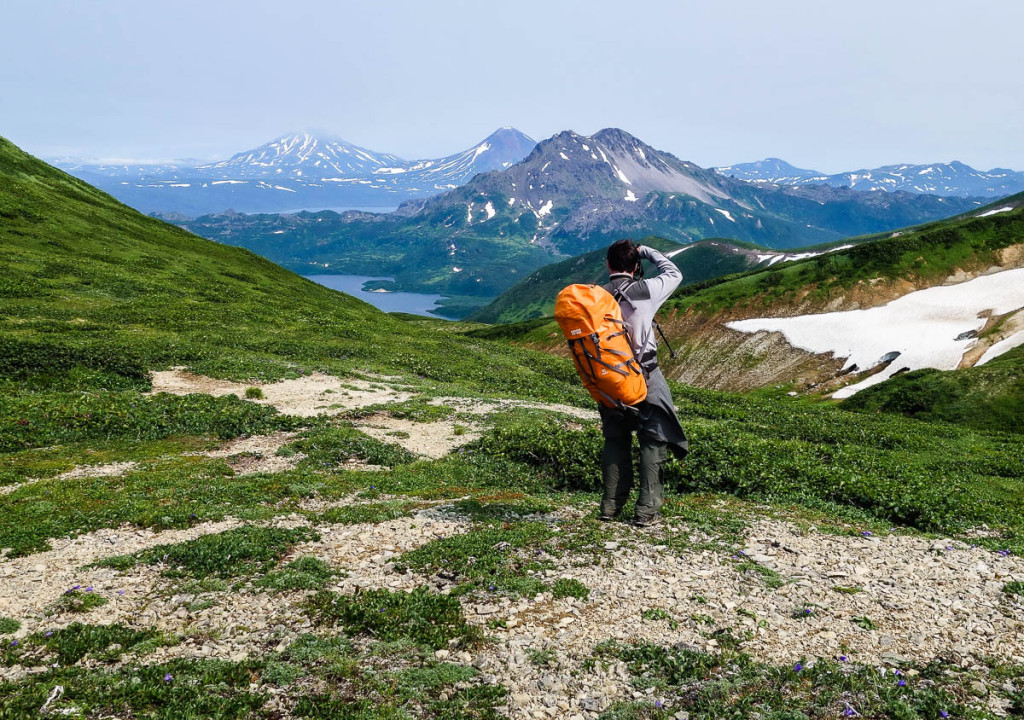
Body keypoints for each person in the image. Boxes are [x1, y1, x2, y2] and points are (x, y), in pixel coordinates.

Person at [599, 239, 688, 527]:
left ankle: (609, 507)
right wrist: (646, 251)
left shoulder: (597, 297)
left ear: (609, 265)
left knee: (615, 439)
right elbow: (674, 273)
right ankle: (646, 510)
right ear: (636, 266)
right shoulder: (645, 290)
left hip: (609, 380)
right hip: (645, 374)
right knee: (654, 438)